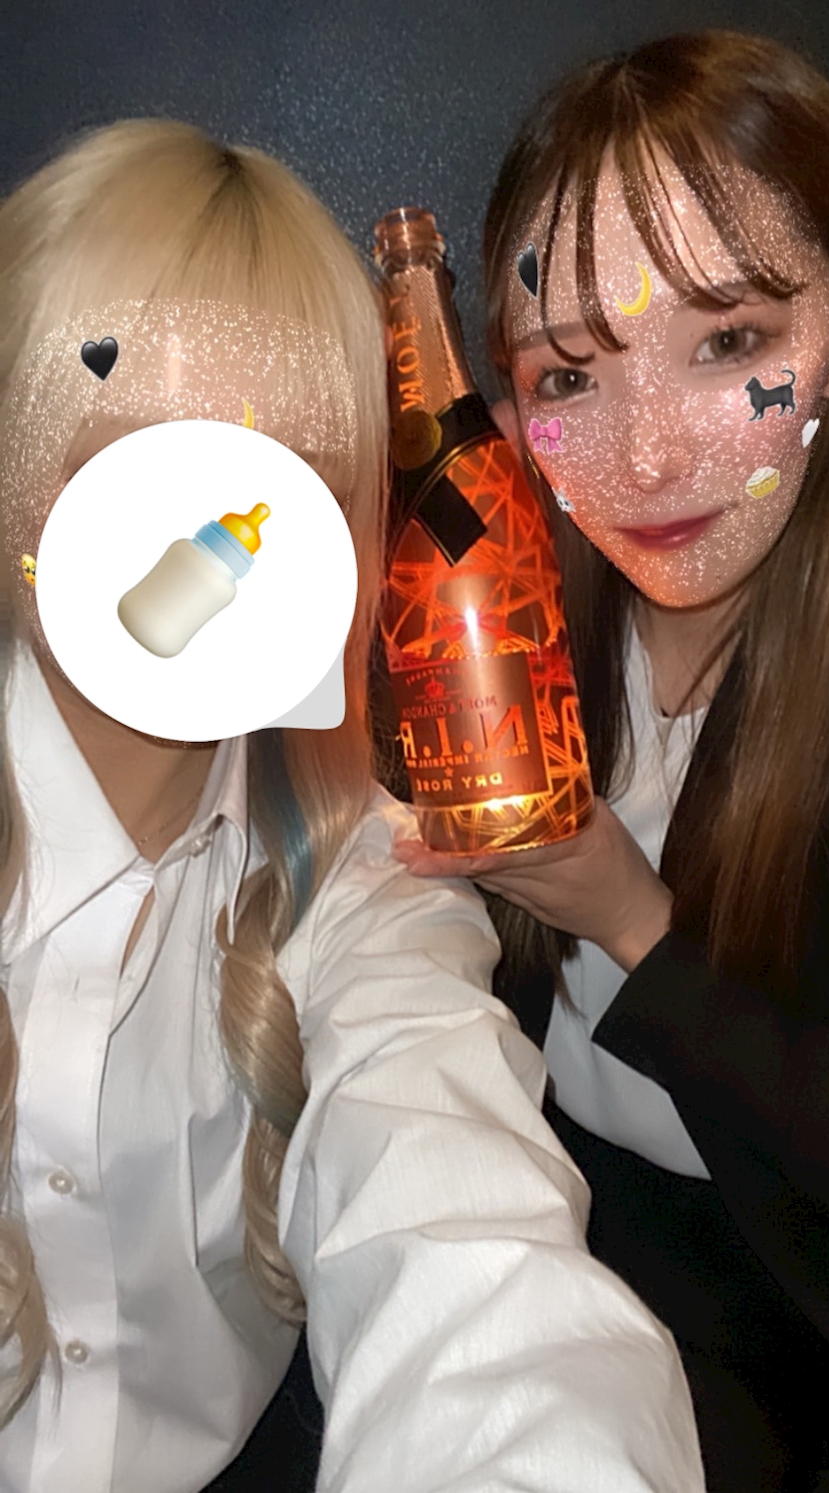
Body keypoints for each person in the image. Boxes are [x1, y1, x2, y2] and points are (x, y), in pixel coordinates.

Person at [0, 119, 703, 1492]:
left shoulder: (365, 872)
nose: (197, 549)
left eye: (276, 484)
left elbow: (470, 1245)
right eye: (130, 462)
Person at [393, 29, 829, 1493]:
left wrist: (631, 917)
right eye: (573, 375)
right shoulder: (513, 596)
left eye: (732, 342)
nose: (645, 463)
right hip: (541, 1236)